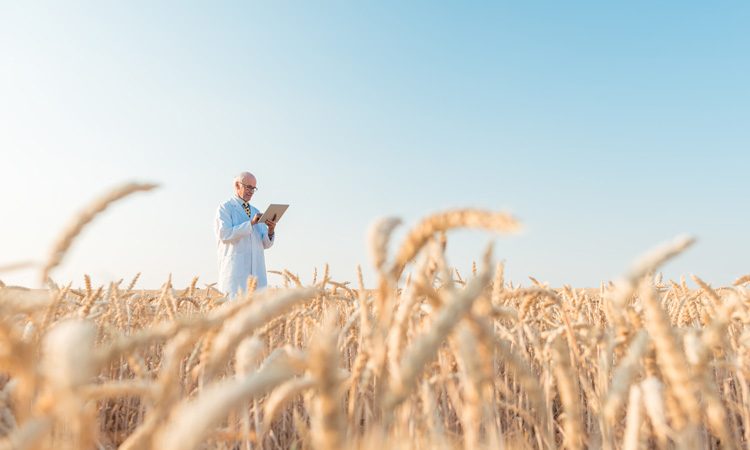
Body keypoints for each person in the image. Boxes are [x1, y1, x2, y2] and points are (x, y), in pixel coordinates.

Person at [214, 172, 277, 297]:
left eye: (254, 188)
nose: (251, 191)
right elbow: (224, 234)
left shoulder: (256, 211)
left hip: (256, 277)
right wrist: (251, 223)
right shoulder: (225, 208)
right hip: (235, 273)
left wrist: (270, 230)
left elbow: (265, 243)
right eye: (248, 187)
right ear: (237, 185)